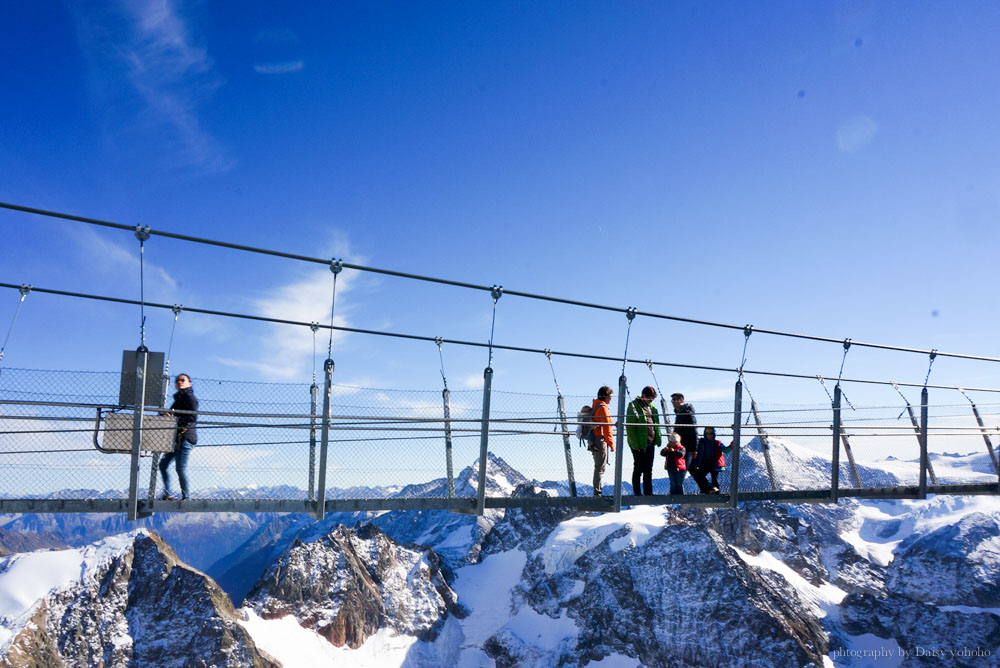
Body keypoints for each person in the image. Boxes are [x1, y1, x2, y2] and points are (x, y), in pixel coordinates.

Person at [159, 373, 198, 500]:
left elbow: (192, 417)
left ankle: (186, 497)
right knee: (163, 465)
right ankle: (167, 493)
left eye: (183, 380)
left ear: (189, 383)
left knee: (180, 469)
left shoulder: (189, 397)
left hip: (186, 438)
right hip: (177, 439)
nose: (179, 382)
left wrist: (174, 417)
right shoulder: (179, 399)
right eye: (177, 381)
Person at [626, 386, 661, 496]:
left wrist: (657, 438)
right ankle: (637, 493)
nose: (651, 401)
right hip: (639, 444)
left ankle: (648, 493)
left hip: (650, 442)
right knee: (638, 468)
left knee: (648, 469)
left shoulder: (651, 407)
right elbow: (630, 428)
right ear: (644, 395)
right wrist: (635, 444)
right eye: (650, 398)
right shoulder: (633, 406)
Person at [588, 385, 615, 497]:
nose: (611, 398)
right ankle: (597, 493)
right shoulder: (603, 408)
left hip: (594, 438)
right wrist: (611, 444)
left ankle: (597, 491)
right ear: (606, 396)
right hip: (600, 439)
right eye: (610, 396)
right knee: (600, 468)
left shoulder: (595, 406)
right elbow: (607, 427)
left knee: (598, 467)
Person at [691, 426, 730, 494]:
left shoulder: (717, 443)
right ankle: (710, 488)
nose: (709, 435)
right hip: (704, 462)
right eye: (707, 433)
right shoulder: (701, 442)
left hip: (714, 462)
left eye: (711, 433)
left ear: (714, 434)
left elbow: (725, 450)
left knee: (714, 478)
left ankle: (716, 492)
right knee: (700, 475)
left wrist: (731, 446)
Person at [671, 393, 697, 471]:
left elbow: (693, 430)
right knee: (691, 470)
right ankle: (705, 484)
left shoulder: (687, 412)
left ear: (681, 400)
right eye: (672, 400)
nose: (673, 402)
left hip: (687, 446)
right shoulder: (679, 413)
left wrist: (694, 449)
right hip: (681, 445)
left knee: (683, 469)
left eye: (675, 400)